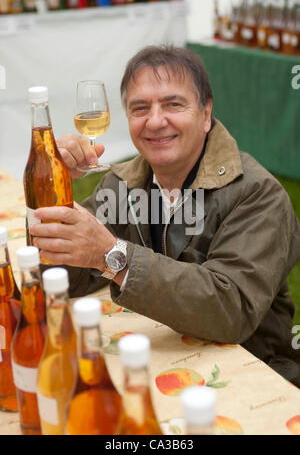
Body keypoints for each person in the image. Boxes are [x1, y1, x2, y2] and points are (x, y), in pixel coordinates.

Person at [30, 45, 300, 387]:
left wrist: (113, 256)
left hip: (255, 373)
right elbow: (64, 278)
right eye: (140, 108)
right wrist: (55, 189)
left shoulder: (257, 193)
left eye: (173, 104)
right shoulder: (122, 183)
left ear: (205, 113)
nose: (155, 121)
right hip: (161, 363)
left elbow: (230, 309)